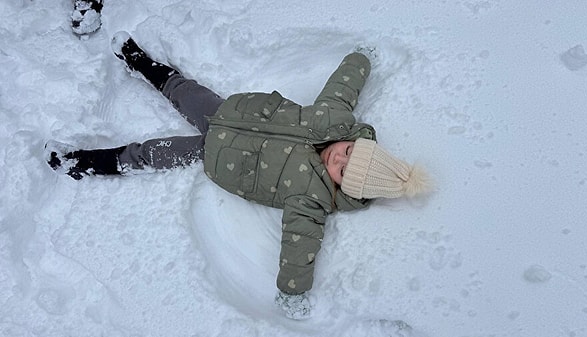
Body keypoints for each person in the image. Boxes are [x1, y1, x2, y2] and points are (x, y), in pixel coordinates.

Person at [45, 32, 431, 319]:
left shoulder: (313, 198)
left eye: (344, 170)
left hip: (217, 154)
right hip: (228, 113)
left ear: (345, 187)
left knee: (150, 153)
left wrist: (293, 292)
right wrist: (360, 59)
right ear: (355, 142)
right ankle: (137, 59)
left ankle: (83, 161)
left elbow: (300, 243)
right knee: (183, 90)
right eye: (348, 151)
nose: (338, 157)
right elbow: (343, 87)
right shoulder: (334, 118)